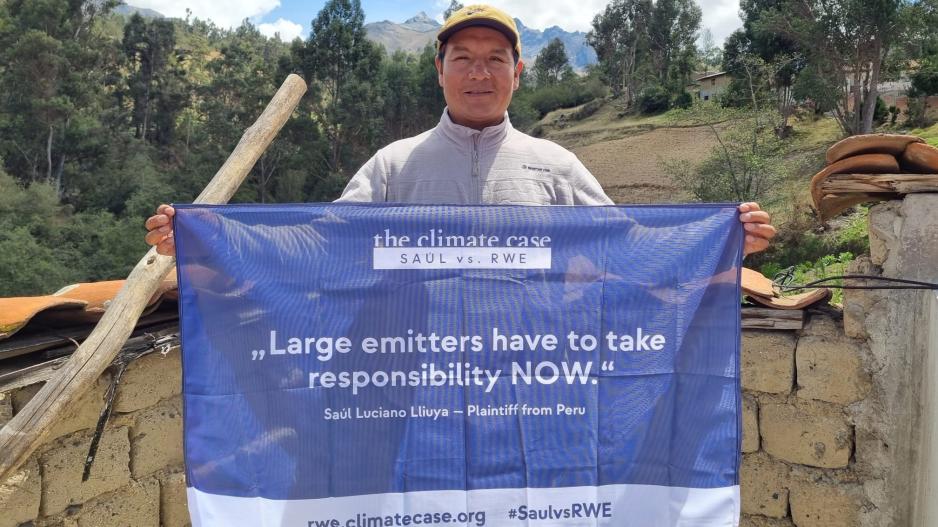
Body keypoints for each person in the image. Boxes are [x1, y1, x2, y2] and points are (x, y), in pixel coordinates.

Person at [146, 4, 775, 256]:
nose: (480, 73)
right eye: (464, 59)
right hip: (411, 378)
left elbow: (628, 246)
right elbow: (318, 245)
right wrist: (206, 241)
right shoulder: (392, 166)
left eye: (495, 59)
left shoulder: (556, 167)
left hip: (531, 377)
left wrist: (724, 243)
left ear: (518, 73)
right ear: (440, 70)